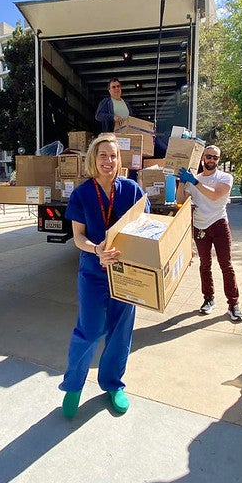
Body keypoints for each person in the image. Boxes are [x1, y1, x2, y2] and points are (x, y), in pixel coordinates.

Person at [60, 133, 148, 419]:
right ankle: (73, 386)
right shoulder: (82, 193)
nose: (108, 161)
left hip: (126, 272)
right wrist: (97, 249)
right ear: (93, 160)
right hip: (94, 271)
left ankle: (113, 385)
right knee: (89, 329)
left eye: (112, 156)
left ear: (118, 159)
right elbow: (78, 237)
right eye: (102, 156)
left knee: (121, 331)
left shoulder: (133, 190)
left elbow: (147, 228)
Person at [177, 145, 242, 322]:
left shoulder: (224, 177)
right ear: (202, 158)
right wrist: (183, 181)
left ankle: (233, 304)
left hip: (219, 223)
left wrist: (194, 182)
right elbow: (180, 201)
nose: (212, 160)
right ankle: (208, 299)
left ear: (218, 160)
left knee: (226, 265)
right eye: (209, 156)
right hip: (200, 226)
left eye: (215, 157)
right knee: (205, 265)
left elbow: (215, 195)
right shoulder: (193, 179)